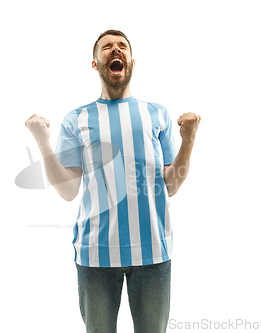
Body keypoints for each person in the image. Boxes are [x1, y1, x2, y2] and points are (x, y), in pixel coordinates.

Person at [25, 29, 201, 333]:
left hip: (153, 252)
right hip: (96, 253)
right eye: (107, 47)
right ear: (96, 63)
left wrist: (189, 140)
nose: (115, 50)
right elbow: (68, 191)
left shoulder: (156, 114)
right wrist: (42, 141)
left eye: (122, 46)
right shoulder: (76, 118)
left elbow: (171, 184)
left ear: (132, 61)